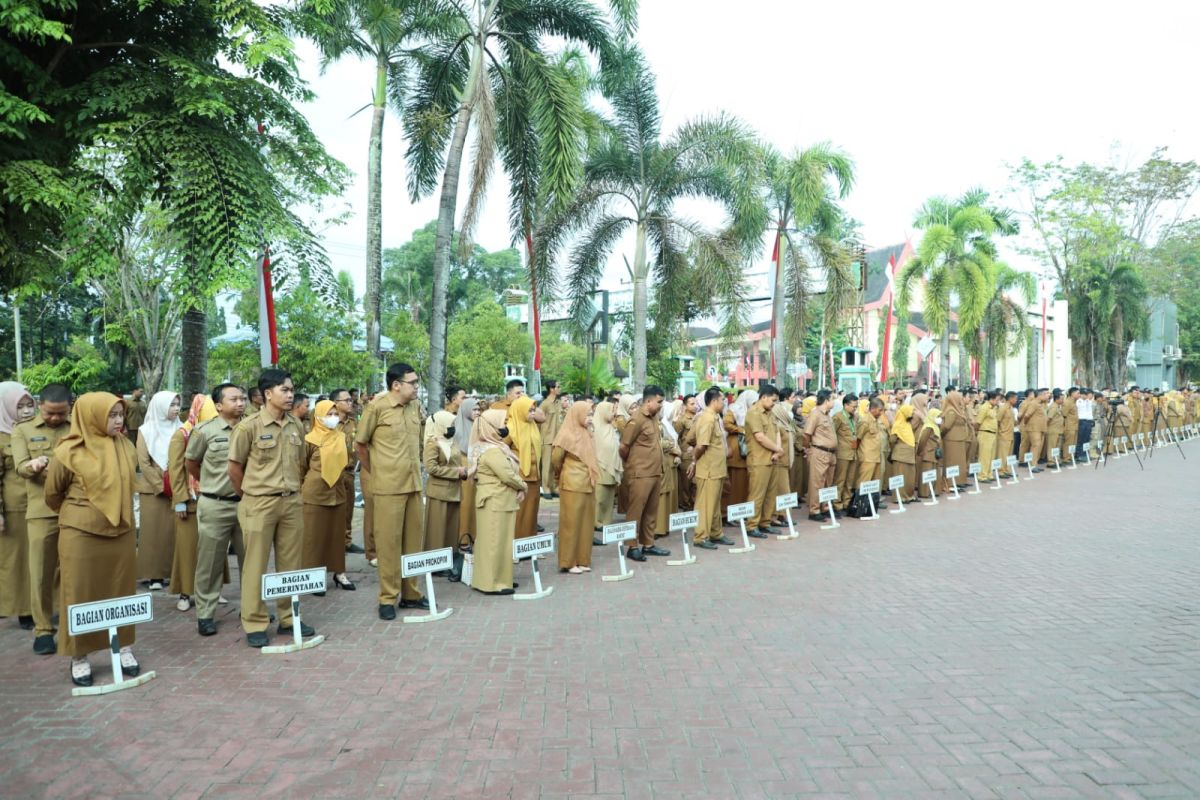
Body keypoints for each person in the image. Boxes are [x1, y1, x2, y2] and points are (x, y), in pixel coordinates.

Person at [45, 392, 142, 687]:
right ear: (91, 416)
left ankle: (122, 646)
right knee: (80, 593)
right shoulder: (68, 451)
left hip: (122, 530)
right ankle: (79, 657)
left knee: (121, 591)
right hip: (81, 534)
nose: (117, 420)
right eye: (110, 415)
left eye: (119, 414)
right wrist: (82, 514)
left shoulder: (125, 446)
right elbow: (53, 493)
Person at [228, 369, 310, 647]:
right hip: (259, 502)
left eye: (291, 390)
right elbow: (234, 467)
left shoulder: (296, 425)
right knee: (255, 565)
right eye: (284, 390)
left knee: (291, 564)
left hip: (291, 501)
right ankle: (255, 622)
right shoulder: (248, 427)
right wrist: (250, 495)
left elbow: (301, 462)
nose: (290, 395)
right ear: (267, 394)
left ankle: (289, 618)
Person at [355, 363, 426, 621]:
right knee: (388, 545)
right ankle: (387, 597)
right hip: (388, 487)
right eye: (413, 382)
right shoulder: (377, 407)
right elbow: (361, 444)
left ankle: (411, 594)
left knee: (413, 543)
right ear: (396, 385)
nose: (417, 386)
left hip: (414, 485)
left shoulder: (415, 407)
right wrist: (377, 472)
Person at [12, 382, 71, 653]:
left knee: (74, 571)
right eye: (50, 413)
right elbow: (21, 466)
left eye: (61, 413)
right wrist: (32, 466)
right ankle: (44, 630)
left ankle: (74, 622)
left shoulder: (77, 427)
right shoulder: (22, 430)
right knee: (40, 573)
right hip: (41, 512)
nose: (56, 418)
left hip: (75, 510)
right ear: (39, 405)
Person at [186, 383, 244, 636]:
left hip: (246, 504)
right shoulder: (204, 431)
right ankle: (206, 613)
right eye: (234, 399)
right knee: (209, 562)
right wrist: (212, 485)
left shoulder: (251, 427)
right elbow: (191, 463)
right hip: (215, 504)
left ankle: (253, 608)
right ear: (219, 405)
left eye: (242, 399)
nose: (240, 403)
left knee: (252, 559)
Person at [167, 394, 215, 613]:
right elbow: (176, 470)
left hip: (212, 498)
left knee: (213, 548)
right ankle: (185, 593)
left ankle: (213, 591)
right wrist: (179, 501)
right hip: (190, 501)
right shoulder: (182, 435)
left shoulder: (213, 432)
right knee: (187, 549)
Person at [300, 399, 354, 593]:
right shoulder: (309, 439)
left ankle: (339, 573)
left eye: (335, 414)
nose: (333, 418)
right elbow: (301, 467)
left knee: (337, 535)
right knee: (314, 536)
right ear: (318, 417)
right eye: (328, 414)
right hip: (315, 492)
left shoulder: (340, 437)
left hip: (338, 491)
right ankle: (313, 577)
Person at [470, 409, 525, 595]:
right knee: (494, 542)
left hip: (499, 499)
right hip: (495, 500)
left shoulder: (494, 446)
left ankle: (502, 579)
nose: (505, 427)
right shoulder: (492, 451)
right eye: (502, 422)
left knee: (500, 542)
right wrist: (523, 486)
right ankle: (492, 583)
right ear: (491, 427)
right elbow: (507, 475)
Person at [134, 391, 181, 590]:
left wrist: (177, 484)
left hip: (178, 487)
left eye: (178, 404)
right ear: (160, 406)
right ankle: (154, 575)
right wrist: (163, 485)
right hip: (153, 490)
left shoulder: (182, 428)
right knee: (153, 533)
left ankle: (173, 572)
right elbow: (143, 463)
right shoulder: (146, 430)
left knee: (174, 533)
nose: (176, 408)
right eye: (172, 405)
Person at [0, 381, 36, 630]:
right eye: (19, 407)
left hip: (40, 505)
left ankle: (41, 605)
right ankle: (23, 609)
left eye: (29, 405)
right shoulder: (2, 436)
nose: (26, 411)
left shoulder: (35, 430)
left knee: (40, 559)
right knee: (18, 561)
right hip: (14, 509)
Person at [619, 386, 669, 561]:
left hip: (655, 471)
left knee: (651, 511)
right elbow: (624, 447)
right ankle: (632, 547)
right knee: (636, 511)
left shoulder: (654, 418)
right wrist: (633, 464)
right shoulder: (636, 419)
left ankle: (648, 544)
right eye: (659, 401)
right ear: (648, 401)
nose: (661, 405)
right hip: (640, 473)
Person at [552, 399, 596, 573]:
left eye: (592, 414)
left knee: (586, 523)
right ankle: (568, 562)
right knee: (571, 523)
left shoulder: (588, 433)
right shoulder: (566, 435)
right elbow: (556, 460)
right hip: (572, 482)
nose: (591, 418)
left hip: (589, 482)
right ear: (577, 415)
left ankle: (583, 560)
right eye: (588, 414)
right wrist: (560, 476)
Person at [688, 387, 733, 549]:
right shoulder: (706, 418)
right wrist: (694, 460)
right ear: (714, 401)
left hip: (717, 468)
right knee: (705, 504)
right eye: (722, 400)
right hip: (708, 470)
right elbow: (700, 445)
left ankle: (715, 533)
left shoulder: (714, 417)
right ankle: (700, 537)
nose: (724, 403)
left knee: (714, 504)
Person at [422, 407, 465, 561]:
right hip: (439, 493)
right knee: (437, 532)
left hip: (453, 491)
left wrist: (464, 471)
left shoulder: (450, 442)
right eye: (449, 424)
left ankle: (448, 560)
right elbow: (431, 468)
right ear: (441, 424)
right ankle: (435, 562)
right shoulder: (432, 443)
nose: (452, 427)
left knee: (451, 530)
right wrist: (456, 472)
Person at [324, 389, 363, 555]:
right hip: (331, 472)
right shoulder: (329, 422)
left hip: (349, 471)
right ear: (335, 403)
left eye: (350, 400)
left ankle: (346, 541)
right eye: (346, 400)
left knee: (348, 509)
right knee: (331, 509)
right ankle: (331, 542)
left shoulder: (354, 423)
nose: (350, 403)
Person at [744, 385, 783, 537]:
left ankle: (765, 522)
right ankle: (752, 525)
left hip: (773, 458)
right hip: (759, 460)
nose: (774, 403)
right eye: (773, 400)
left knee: (770, 493)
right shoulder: (753, 413)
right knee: (757, 494)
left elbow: (777, 432)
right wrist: (777, 450)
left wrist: (777, 451)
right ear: (763, 397)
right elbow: (759, 437)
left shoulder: (770, 412)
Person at [802, 389, 837, 521]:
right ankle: (814, 510)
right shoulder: (815, 414)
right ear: (827, 400)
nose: (834, 401)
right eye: (833, 399)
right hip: (819, 452)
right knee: (817, 482)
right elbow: (806, 434)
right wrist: (807, 448)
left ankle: (825, 507)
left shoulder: (827, 414)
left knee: (828, 482)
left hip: (830, 454)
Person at [453, 397, 480, 562]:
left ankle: (474, 536)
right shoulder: (457, 428)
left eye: (478, 410)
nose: (477, 412)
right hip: (464, 468)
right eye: (474, 409)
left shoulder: (479, 427)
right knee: (465, 505)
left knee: (475, 505)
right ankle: (463, 538)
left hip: (477, 469)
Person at [850, 398, 886, 516]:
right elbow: (857, 439)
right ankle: (858, 508)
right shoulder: (865, 421)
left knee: (875, 484)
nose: (881, 413)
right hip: (867, 457)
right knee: (863, 483)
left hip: (877, 456)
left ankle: (870, 508)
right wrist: (858, 454)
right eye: (880, 410)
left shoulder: (876, 420)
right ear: (873, 409)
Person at [591, 398, 622, 530]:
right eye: (611, 411)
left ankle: (606, 521)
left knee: (609, 497)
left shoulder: (611, 427)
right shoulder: (593, 428)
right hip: (600, 466)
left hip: (612, 466)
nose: (614, 414)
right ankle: (596, 522)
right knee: (600, 497)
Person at [723, 390, 754, 519]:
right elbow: (727, 423)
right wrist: (740, 429)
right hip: (736, 449)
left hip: (746, 450)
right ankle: (732, 513)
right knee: (735, 484)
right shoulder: (734, 409)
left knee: (743, 484)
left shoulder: (751, 412)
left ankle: (741, 512)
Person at [653, 400, 682, 538]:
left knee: (667, 494)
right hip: (661, 462)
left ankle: (664, 525)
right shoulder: (658, 424)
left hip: (669, 462)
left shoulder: (665, 424)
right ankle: (658, 528)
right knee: (660, 496)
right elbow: (661, 443)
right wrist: (672, 446)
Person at [831, 393, 859, 513]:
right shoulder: (838, 417)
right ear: (846, 405)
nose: (855, 409)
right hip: (842, 453)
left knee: (850, 480)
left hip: (853, 453)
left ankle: (846, 502)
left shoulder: (855, 417)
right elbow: (833, 434)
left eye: (856, 406)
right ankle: (837, 503)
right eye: (853, 406)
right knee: (840, 480)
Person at [886, 404, 917, 502]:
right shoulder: (897, 424)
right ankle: (899, 498)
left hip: (909, 455)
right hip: (900, 455)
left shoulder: (907, 424)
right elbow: (892, 440)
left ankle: (908, 496)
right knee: (900, 477)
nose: (912, 413)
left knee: (909, 477)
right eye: (910, 412)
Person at [538, 381, 563, 499]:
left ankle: (553, 487)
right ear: (551, 389)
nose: (559, 389)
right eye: (558, 387)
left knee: (554, 464)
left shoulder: (558, 403)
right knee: (546, 465)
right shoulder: (545, 404)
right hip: (547, 438)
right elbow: (538, 421)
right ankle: (546, 487)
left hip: (557, 438)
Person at [940, 389, 969, 489]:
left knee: (959, 461)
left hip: (958, 439)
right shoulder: (951, 411)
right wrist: (941, 434)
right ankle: (950, 483)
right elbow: (947, 426)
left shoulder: (957, 409)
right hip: (951, 440)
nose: (961, 400)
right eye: (959, 398)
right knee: (952, 461)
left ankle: (959, 481)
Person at [917, 407, 943, 499]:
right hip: (927, 452)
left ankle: (934, 490)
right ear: (932, 416)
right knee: (927, 471)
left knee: (934, 471)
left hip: (934, 452)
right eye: (937, 416)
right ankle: (925, 492)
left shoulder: (935, 427)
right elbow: (923, 440)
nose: (940, 418)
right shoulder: (928, 427)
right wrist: (920, 451)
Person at [976, 391, 999, 481]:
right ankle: (982, 475)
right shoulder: (984, 407)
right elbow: (978, 422)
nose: (998, 402)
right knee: (984, 456)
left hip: (993, 434)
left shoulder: (994, 408)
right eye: (997, 400)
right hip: (985, 433)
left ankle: (989, 474)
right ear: (992, 399)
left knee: (991, 456)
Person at [997, 391, 1017, 476]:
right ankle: (1001, 471)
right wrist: (1001, 431)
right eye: (1015, 398)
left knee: (1009, 454)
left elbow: (1012, 422)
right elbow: (998, 420)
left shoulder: (1011, 408)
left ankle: (1007, 470)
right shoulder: (1003, 408)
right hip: (1004, 435)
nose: (1016, 400)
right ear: (1011, 398)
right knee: (1003, 454)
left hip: (1010, 434)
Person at [1075, 389, 1094, 461]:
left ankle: (1086, 454)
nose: (1087, 396)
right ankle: (1079, 455)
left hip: (1089, 421)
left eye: (1087, 394)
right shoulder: (1078, 401)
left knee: (1087, 438)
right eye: (1085, 394)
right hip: (1082, 421)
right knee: (1081, 439)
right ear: (1081, 394)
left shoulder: (1089, 401)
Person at [1062, 387, 1080, 464]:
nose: (1079, 395)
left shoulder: (1074, 402)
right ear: (1072, 394)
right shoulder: (1067, 402)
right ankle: (1066, 458)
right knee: (1068, 443)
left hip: (1074, 426)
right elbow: (1064, 414)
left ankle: (1071, 457)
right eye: (1078, 393)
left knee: (1073, 443)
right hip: (1069, 426)